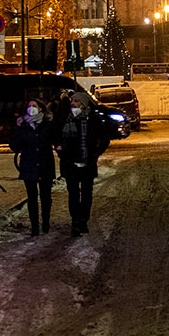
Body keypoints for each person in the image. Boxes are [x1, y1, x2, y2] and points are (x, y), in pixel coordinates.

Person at [56, 89, 110, 237]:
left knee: (87, 194)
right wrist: (60, 150)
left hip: (87, 163)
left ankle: (83, 220)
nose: (72, 104)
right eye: (72, 101)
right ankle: (75, 221)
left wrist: (95, 154)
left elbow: (104, 139)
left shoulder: (93, 119)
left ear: (83, 104)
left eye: (76, 101)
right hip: (70, 163)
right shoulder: (66, 118)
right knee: (73, 194)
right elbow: (57, 135)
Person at [9, 98, 54, 235]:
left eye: (34, 106)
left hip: (45, 165)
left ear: (41, 108)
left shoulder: (47, 124)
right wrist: (20, 133)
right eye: (29, 106)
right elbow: (14, 145)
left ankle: (45, 222)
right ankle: (35, 226)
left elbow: (52, 139)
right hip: (29, 165)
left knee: (46, 197)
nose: (31, 108)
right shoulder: (22, 125)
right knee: (32, 197)